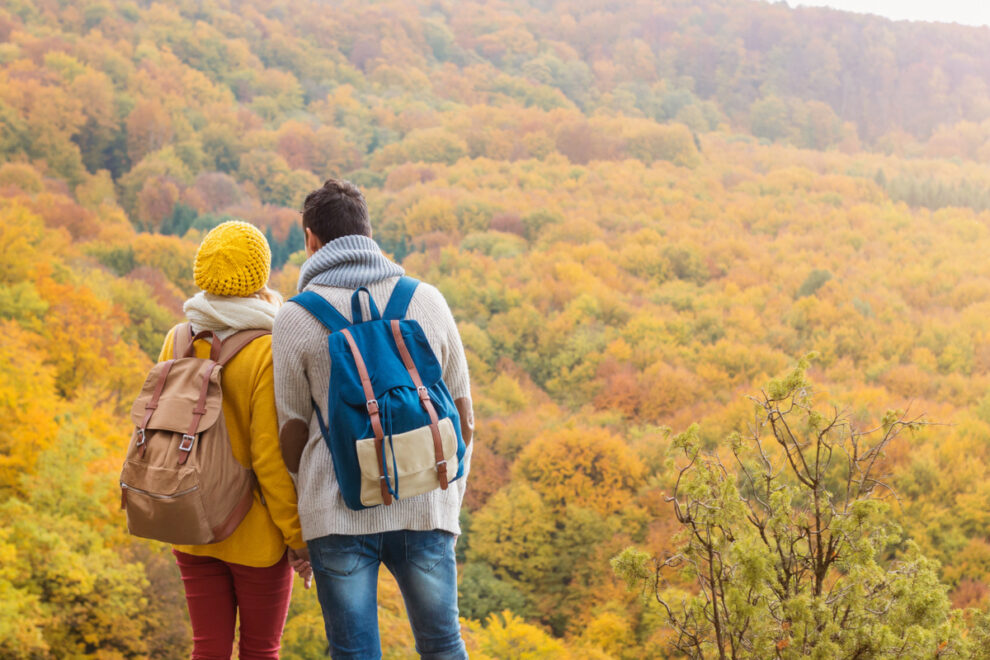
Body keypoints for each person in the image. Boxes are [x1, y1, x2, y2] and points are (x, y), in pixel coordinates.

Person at [272, 178, 474, 659]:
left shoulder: (296, 318)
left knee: (354, 652)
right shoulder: (426, 299)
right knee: (443, 644)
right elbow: (463, 414)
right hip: (427, 502)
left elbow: (291, 434)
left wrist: (311, 509)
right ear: (367, 232)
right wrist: (445, 497)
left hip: (338, 511)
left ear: (310, 239)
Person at [159, 220, 311, 660]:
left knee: (207, 648)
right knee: (261, 650)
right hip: (255, 532)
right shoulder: (268, 348)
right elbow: (270, 458)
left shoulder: (179, 338)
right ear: (260, 276)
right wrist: (298, 538)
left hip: (189, 521)